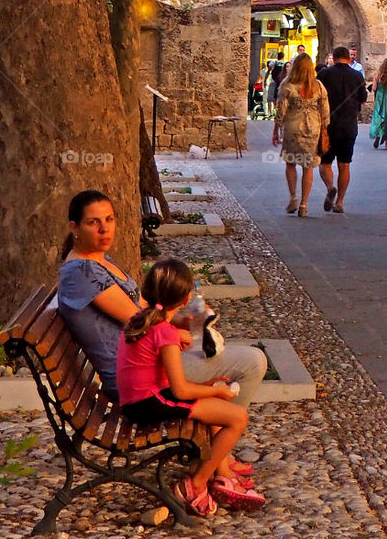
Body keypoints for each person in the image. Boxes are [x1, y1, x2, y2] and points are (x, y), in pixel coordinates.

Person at [57, 192, 266, 484]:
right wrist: (176, 328)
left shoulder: (99, 260)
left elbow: (148, 308)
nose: (105, 229)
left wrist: (184, 313)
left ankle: (215, 453)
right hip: (138, 379)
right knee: (252, 362)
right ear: (74, 227)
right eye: (93, 223)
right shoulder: (80, 272)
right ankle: (217, 458)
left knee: (218, 350)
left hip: (146, 361)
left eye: (109, 220)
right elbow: (138, 319)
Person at [117, 257, 264, 515]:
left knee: (219, 407)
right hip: (148, 404)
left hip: (138, 400)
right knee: (238, 418)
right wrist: (216, 390)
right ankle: (195, 485)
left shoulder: (140, 320)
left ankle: (219, 473)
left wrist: (209, 388)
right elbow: (180, 391)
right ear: (185, 300)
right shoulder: (165, 332)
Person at [272, 52, 330, 216]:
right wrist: (324, 127)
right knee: (308, 166)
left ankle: (293, 197)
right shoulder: (318, 86)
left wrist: (276, 130)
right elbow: (325, 111)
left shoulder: (288, 84)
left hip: (293, 127)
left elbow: (281, 110)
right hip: (313, 128)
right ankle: (304, 204)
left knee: (290, 163)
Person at [318, 45, 368, 213]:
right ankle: (340, 202)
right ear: (348, 57)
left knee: (325, 162)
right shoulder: (357, 75)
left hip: (328, 125)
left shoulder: (325, 74)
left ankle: (330, 187)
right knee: (345, 164)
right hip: (349, 125)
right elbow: (363, 98)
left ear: (335, 57)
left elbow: (316, 96)